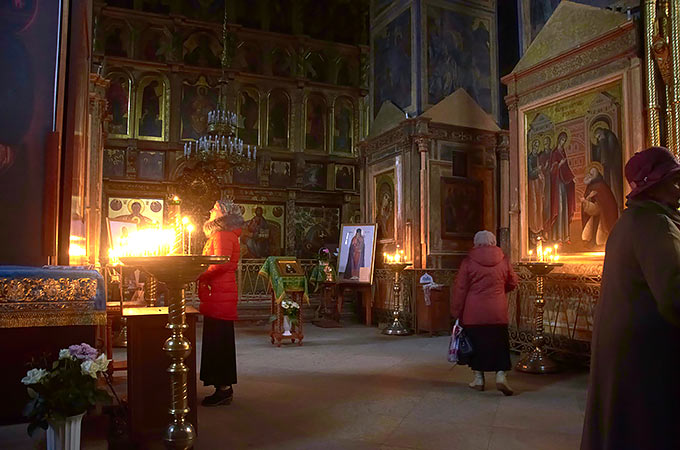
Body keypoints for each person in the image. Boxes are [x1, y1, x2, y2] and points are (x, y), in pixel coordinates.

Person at [581, 147, 680, 450]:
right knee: (645, 428)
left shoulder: (628, 222)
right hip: (647, 354)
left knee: (621, 426)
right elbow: (675, 294)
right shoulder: (655, 224)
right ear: (656, 186)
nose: (679, 189)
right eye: (674, 181)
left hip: (625, 348)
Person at [450, 230, 518, 396]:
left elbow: (460, 288)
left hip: (474, 312)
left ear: (476, 242)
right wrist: (500, 292)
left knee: (477, 344)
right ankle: (501, 375)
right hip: (498, 310)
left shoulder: (468, 262)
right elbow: (513, 282)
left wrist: (456, 311)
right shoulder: (503, 260)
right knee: (499, 343)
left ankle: (478, 379)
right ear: (493, 242)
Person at [197, 200, 244, 407]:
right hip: (219, 292)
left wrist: (201, 273)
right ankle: (222, 387)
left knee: (219, 341)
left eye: (214, 208)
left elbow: (220, 262)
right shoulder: (223, 234)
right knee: (217, 339)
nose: (210, 210)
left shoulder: (222, 234)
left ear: (222, 214)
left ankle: (223, 389)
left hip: (219, 292)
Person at [548, 131, 575, 243]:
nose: (563, 142)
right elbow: (551, 169)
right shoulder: (555, 153)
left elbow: (567, 168)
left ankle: (566, 236)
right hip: (557, 183)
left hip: (564, 183)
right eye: (562, 140)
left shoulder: (563, 152)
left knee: (565, 208)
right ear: (559, 140)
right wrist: (559, 164)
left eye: (564, 140)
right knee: (559, 208)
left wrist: (571, 178)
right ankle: (557, 236)